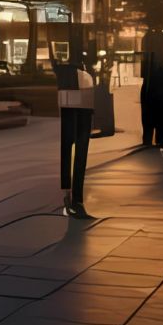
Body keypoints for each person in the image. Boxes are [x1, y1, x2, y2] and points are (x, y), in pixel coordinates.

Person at [57, 47, 96, 218]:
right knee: (77, 151)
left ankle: (71, 198)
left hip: (73, 100)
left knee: (70, 150)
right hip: (76, 100)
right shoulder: (83, 75)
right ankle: (74, 199)